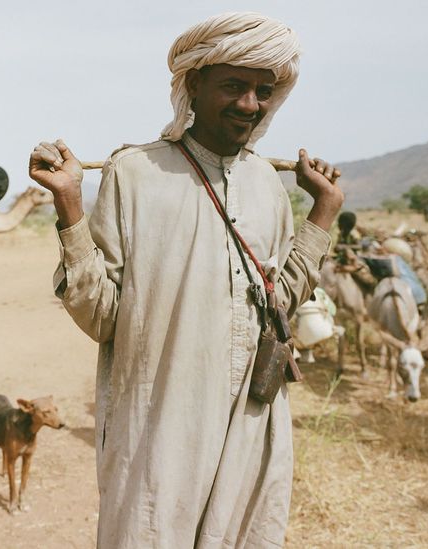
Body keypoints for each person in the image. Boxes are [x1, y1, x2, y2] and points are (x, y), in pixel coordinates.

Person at [28, 12, 343, 548]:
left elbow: (281, 303)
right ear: (193, 84)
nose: (249, 104)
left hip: (253, 419)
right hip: (161, 422)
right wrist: (69, 205)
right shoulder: (135, 174)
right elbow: (103, 316)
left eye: (263, 91)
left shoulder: (269, 184)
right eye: (233, 86)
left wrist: (324, 213)